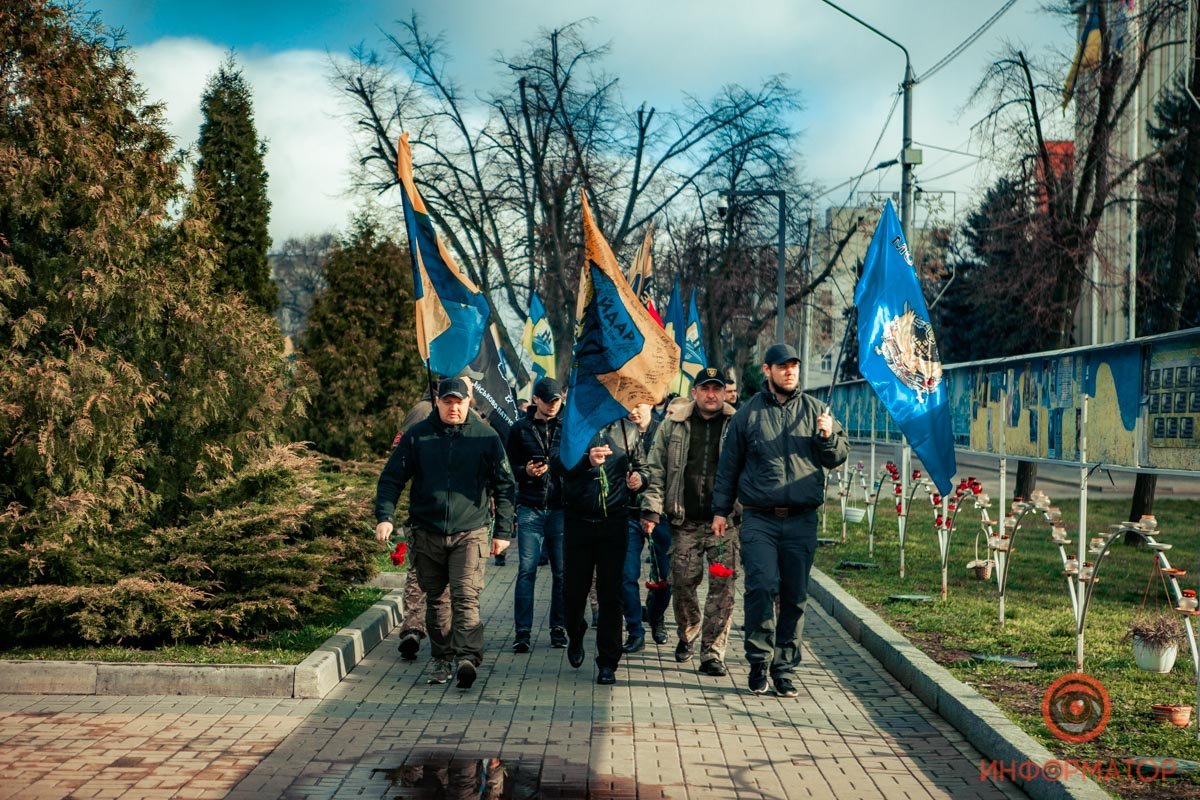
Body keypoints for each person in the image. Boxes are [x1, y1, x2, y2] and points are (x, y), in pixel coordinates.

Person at [712, 343, 848, 697]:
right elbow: (728, 466)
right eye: (783, 366)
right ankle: (759, 660)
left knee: (794, 595)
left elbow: (837, 456)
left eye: (794, 366)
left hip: (802, 520)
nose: (790, 372)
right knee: (761, 586)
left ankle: (784, 668)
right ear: (767, 370)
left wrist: (827, 436)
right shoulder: (748, 414)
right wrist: (720, 511)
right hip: (760, 519)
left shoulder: (817, 410)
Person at [375, 377, 516, 690]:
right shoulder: (418, 436)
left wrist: (503, 531)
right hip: (427, 531)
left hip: (470, 531)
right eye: (448, 402)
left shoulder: (486, 437)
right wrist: (385, 517)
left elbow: (505, 485)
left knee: (466, 596)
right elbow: (391, 478)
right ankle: (442, 658)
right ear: (437, 401)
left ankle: (467, 657)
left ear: (468, 402)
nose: (454, 408)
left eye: (459, 402)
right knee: (437, 600)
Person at [641, 367, 738, 676]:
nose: (711, 394)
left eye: (716, 389)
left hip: (724, 524)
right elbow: (656, 469)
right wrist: (652, 509)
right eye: (705, 388)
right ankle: (689, 631)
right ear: (694, 392)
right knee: (682, 583)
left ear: (724, 393)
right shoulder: (673, 425)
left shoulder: (736, 425)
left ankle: (712, 652)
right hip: (684, 522)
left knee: (723, 588)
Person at [390, 370, 482, 661]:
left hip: (456, 512)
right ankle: (422, 630)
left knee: (432, 576)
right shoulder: (424, 412)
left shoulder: (465, 414)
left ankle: (419, 629)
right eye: (469, 381)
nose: (473, 385)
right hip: (430, 509)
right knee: (430, 575)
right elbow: (401, 458)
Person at [558, 420, 647, 685]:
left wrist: (640, 480)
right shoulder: (570, 425)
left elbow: (642, 467)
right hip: (578, 521)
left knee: (611, 594)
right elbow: (557, 465)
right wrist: (586, 461)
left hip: (614, 521)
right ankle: (575, 633)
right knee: (573, 593)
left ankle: (608, 661)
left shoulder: (628, 429)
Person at [506, 377, 567, 653]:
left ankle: (558, 627)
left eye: (557, 400)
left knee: (561, 573)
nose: (553, 405)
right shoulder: (520, 428)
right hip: (530, 507)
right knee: (527, 570)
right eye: (548, 400)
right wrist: (526, 472)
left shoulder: (567, 426)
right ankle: (523, 632)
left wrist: (556, 469)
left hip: (560, 507)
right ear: (536, 400)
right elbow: (508, 467)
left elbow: (575, 464)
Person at [617, 403, 670, 653]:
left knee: (666, 577)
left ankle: (656, 616)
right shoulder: (617, 431)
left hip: (660, 515)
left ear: (650, 403)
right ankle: (635, 630)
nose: (634, 410)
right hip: (628, 514)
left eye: (639, 404)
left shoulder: (665, 431)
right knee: (627, 575)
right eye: (629, 404)